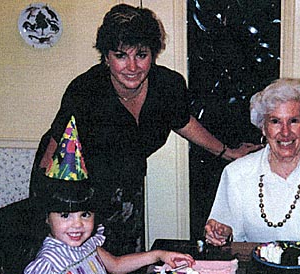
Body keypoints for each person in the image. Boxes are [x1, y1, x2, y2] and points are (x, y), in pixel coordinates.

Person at [33, 3, 262, 258]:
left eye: (141, 55)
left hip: (127, 187)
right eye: (121, 55)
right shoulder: (85, 92)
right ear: (106, 57)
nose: (132, 67)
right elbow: (49, 161)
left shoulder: (168, 85)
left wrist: (228, 153)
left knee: (127, 266)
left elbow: (183, 122)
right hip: (76, 196)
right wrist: (56, 222)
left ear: (152, 55)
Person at [204, 78, 300, 245]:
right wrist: (221, 234)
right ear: (263, 128)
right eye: (275, 121)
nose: (285, 132)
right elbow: (225, 232)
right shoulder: (237, 173)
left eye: (293, 121)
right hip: (257, 268)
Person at [24, 178, 195, 274]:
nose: (77, 225)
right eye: (65, 215)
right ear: (46, 218)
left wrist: (158, 255)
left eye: (85, 214)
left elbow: (116, 264)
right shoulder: (48, 265)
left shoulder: (87, 243)